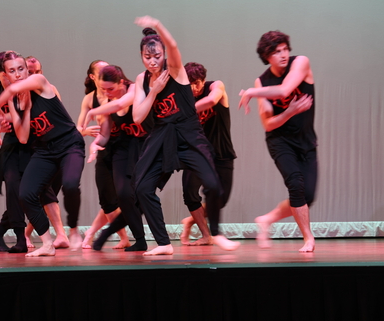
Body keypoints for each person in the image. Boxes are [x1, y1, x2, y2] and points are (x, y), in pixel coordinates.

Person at [129, 16, 239, 255]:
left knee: (212, 183)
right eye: (147, 57)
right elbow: (137, 116)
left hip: (188, 134)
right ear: (141, 56)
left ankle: (216, 233)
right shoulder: (141, 80)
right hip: (161, 137)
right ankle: (164, 244)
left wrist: (157, 25)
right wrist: (154, 92)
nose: (152, 61)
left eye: (157, 56)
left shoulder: (175, 70)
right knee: (143, 188)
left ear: (164, 54)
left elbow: (174, 45)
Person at [0, 51, 85, 256]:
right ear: (5, 74)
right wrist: (22, 110)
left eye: (21, 69)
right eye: (12, 71)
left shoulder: (39, 81)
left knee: (69, 184)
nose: (18, 74)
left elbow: (12, 89)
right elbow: (23, 137)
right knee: (26, 194)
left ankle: (74, 230)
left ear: (27, 70)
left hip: (69, 144)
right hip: (45, 150)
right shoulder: (16, 100)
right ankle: (47, 244)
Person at [0, 52, 69, 252]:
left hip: (35, 142)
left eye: (18, 70)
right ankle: (20, 237)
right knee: (14, 188)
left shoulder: (32, 86)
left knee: (39, 190)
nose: (14, 76)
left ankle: (58, 234)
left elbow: (45, 115)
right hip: (12, 144)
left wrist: (3, 118)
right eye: (8, 72)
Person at [238, 31, 317, 253]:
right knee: (296, 184)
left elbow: (284, 90)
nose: (283, 55)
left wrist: (252, 92)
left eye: (284, 49)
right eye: (276, 52)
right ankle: (308, 238)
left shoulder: (301, 62)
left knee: (307, 196)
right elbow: (268, 124)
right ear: (266, 56)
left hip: (306, 140)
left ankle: (267, 219)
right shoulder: (262, 81)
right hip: (279, 140)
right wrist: (290, 112)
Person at [84, 65, 152, 252]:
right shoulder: (109, 101)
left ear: (121, 82)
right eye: (103, 89)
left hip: (148, 145)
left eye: (110, 89)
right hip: (126, 147)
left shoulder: (134, 89)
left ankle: (108, 234)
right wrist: (95, 144)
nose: (106, 93)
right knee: (123, 194)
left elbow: (121, 104)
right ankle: (139, 240)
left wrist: (92, 112)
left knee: (142, 195)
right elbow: (105, 134)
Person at [179, 62, 237, 246]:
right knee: (190, 192)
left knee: (220, 199)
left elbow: (212, 100)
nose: (194, 88)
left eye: (197, 83)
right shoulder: (184, 98)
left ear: (203, 80)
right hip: (198, 154)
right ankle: (207, 234)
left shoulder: (215, 86)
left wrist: (185, 111)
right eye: (190, 84)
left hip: (221, 151)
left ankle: (190, 221)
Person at [75, 60, 129, 249]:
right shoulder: (90, 99)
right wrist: (86, 132)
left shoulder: (119, 93)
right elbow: (78, 128)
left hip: (124, 148)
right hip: (104, 148)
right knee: (107, 199)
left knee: (121, 197)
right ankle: (120, 237)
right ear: (93, 77)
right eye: (101, 71)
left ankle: (94, 233)